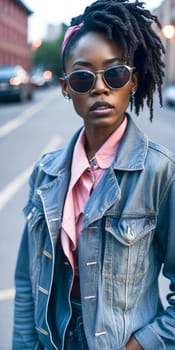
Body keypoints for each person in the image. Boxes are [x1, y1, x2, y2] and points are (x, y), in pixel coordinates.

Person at [12, 0, 175, 349]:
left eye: (115, 74)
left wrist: (144, 343)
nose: (100, 88)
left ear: (132, 81)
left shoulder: (160, 172)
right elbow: (27, 281)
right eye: (84, 77)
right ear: (65, 87)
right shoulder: (45, 173)